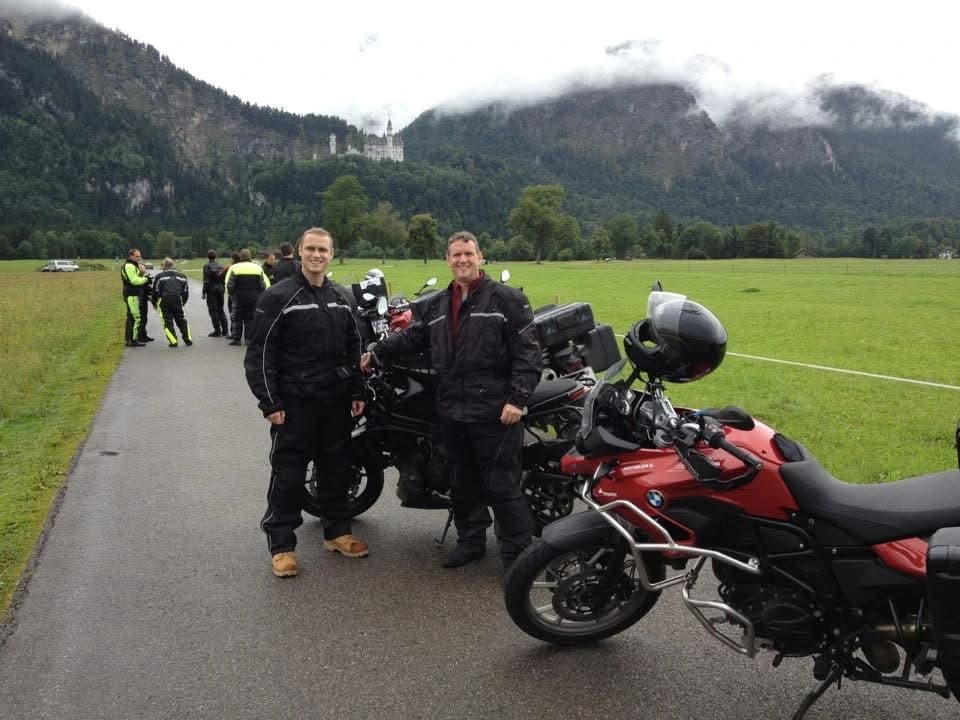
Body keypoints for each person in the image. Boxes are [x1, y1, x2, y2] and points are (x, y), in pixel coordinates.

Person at [361, 230, 542, 571]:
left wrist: (517, 399)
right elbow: (414, 336)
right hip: (452, 408)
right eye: (456, 255)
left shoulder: (507, 300)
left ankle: (518, 560)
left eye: (468, 254)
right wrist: (377, 350)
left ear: (480, 257)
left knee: (503, 487)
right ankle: (470, 542)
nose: (462, 260)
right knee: (461, 482)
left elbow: (528, 353)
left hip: (494, 409)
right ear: (448, 260)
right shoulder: (438, 303)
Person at [244, 227, 367, 578]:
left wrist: (357, 391)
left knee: (336, 469)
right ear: (300, 251)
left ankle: (338, 532)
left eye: (323, 250)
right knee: (289, 475)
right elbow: (259, 355)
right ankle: (282, 546)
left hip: (335, 401)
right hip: (294, 404)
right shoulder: (278, 297)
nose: (317, 255)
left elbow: (355, 348)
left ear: (331, 254)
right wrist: (270, 402)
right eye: (311, 248)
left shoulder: (343, 297)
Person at [225, 249, 270, 346]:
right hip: (254, 298)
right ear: (250, 256)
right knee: (250, 319)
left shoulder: (235, 268)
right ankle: (248, 339)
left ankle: (237, 339)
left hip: (239, 297)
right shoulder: (257, 268)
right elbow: (262, 285)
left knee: (237, 318)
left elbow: (230, 285)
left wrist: (232, 295)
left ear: (241, 257)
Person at [152, 258, 193, 348]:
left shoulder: (160, 276)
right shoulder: (182, 276)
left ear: (164, 266)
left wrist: (154, 302)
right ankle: (188, 340)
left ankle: (173, 341)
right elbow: (185, 292)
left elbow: (155, 291)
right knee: (182, 320)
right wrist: (183, 302)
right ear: (172, 265)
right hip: (177, 299)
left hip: (165, 300)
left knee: (167, 322)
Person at [120, 248, 150, 347]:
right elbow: (134, 280)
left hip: (133, 294)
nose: (139, 258)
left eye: (139, 256)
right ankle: (133, 340)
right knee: (135, 317)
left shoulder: (133, 265)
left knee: (131, 317)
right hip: (131, 294)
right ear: (131, 256)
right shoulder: (129, 266)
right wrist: (146, 279)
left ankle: (129, 340)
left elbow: (137, 278)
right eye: (137, 256)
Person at [201, 249, 229, 337]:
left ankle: (217, 330)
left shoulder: (207, 266)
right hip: (220, 290)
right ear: (215, 256)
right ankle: (225, 330)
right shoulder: (221, 266)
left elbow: (206, 281)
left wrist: (203, 292)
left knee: (213, 311)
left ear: (208, 256)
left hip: (211, 290)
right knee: (221, 310)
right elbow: (224, 279)